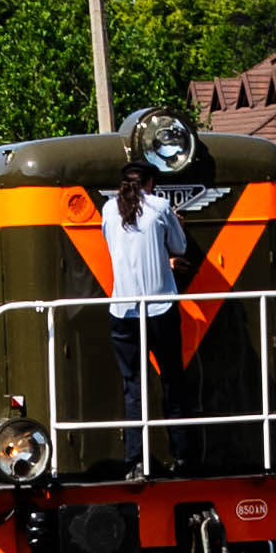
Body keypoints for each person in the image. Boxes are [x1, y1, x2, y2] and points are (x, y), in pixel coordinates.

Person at [100, 159, 186, 476]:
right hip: (160, 309)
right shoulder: (161, 206)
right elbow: (179, 245)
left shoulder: (109, 210)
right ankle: (181, 456)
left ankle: (134, 460)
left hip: (122, 311)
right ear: (151, 183)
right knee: (172, 381)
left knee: (133, 387)